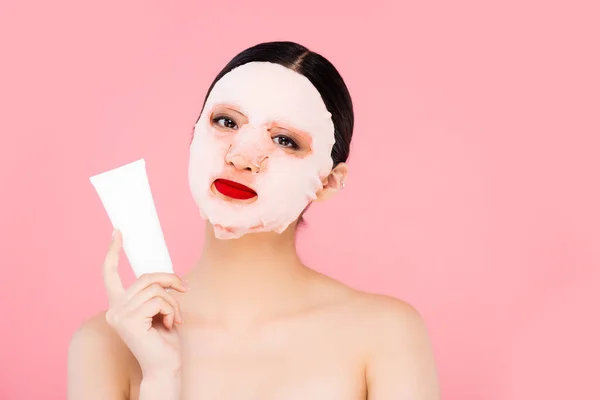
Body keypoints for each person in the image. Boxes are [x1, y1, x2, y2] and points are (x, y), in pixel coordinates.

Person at [67, 41, 440, 400]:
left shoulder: (386, 335)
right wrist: (162, 379)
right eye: (226, 121)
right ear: (194, 135)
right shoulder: (107, 343)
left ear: (327, 182)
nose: (242, 157)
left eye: (285, 140)